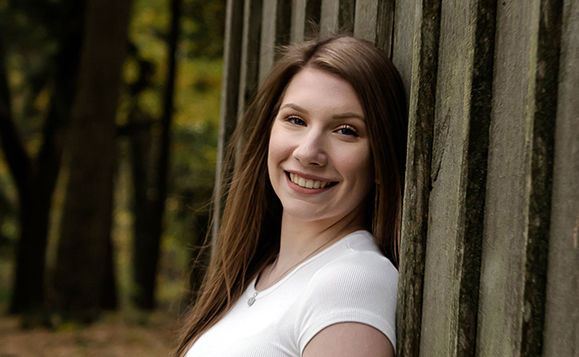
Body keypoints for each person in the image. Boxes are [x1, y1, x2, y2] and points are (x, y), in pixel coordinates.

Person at [176, 35, 407, 357]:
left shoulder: (351, 283)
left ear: (381, 161)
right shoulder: (255, 275)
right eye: (296, 120)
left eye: (345, 131)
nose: (308, 152)